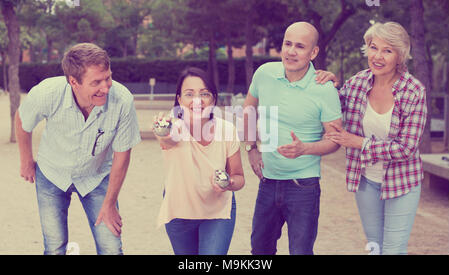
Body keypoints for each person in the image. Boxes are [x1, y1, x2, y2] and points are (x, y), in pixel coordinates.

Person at [15, 43, 141, 255]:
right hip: (52, 174)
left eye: (108, 77)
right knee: (54, 247)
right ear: (74, 82)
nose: (106, 87)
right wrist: (26, 161)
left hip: (97, 176)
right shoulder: (47, 92)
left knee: (111, 248)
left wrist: (110, 204)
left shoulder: (123, 100)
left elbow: (122, 155)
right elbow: (22, 120)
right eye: (96, 82)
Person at [319, 22, 427, 255]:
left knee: (392, 250)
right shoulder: (357, 83)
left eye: (387, 50)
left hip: (402, 182)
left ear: (400, 56)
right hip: (366, 180)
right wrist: (329, 85)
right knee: (375, 247)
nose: (377, 56)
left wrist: (359, 143)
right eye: (373, 47)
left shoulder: (414, 91)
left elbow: (406, 148)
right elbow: (333, 107)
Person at [243, 22, 343, 255]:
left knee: (300, 252)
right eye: (288, 44)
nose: (291, 51)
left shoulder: (325, 89)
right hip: (267, 182)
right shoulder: (264, 73)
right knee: (259, 250)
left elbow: (336, 139)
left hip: (303, 187)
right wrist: (251, 148)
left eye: (300, 46)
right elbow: (248, 108)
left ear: (314, 52)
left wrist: (305, 148)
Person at [154, 67, 245, 255]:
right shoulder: (175, 126)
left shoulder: (227, 130)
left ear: (213, 99)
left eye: (204, 94)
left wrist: (229, 182)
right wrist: (162, 131)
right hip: (179, 209)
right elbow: (169, 139)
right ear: (179, 100)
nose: (197, 100)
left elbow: (239, 177)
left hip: (217, 210)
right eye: (189, 94)